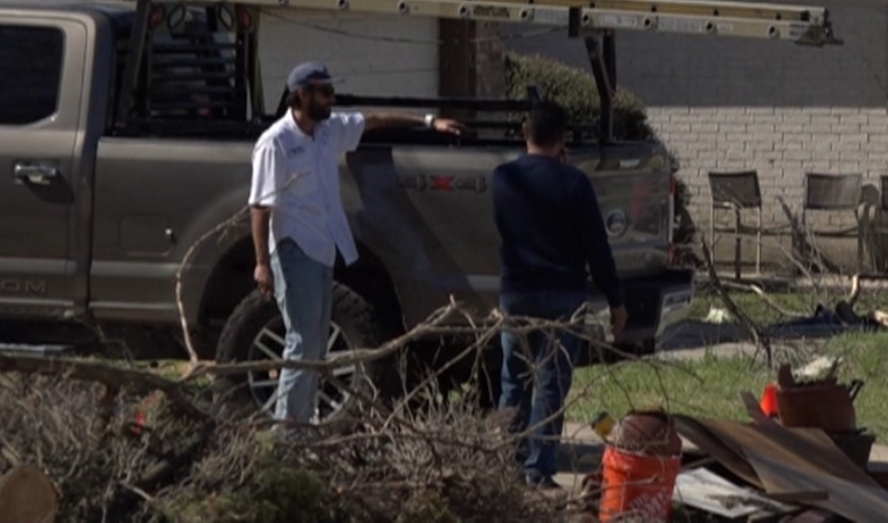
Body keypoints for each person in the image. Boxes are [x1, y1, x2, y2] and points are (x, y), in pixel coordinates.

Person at [249, 60, 465, 426]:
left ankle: (304, 425)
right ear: (302, 95)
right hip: (293, 249)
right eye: (325, 92)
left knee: (316, 346)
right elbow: (259, 206)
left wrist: (428, 122)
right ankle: (288, 433)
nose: (332, 99)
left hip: (322, 250)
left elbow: (375, 120)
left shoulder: (327, 131)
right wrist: (262, 263)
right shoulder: (276, 143)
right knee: (301, 344)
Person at [491, 100, 627, 486]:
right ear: (563, 139)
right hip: (563, 297)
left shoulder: (503, 178)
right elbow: (596, 247)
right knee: (551, 385)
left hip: (516, 293)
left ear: (524, 131)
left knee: (513, 380)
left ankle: (506, 464)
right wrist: (615, 300)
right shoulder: (575, 184)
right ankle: (537, 469)